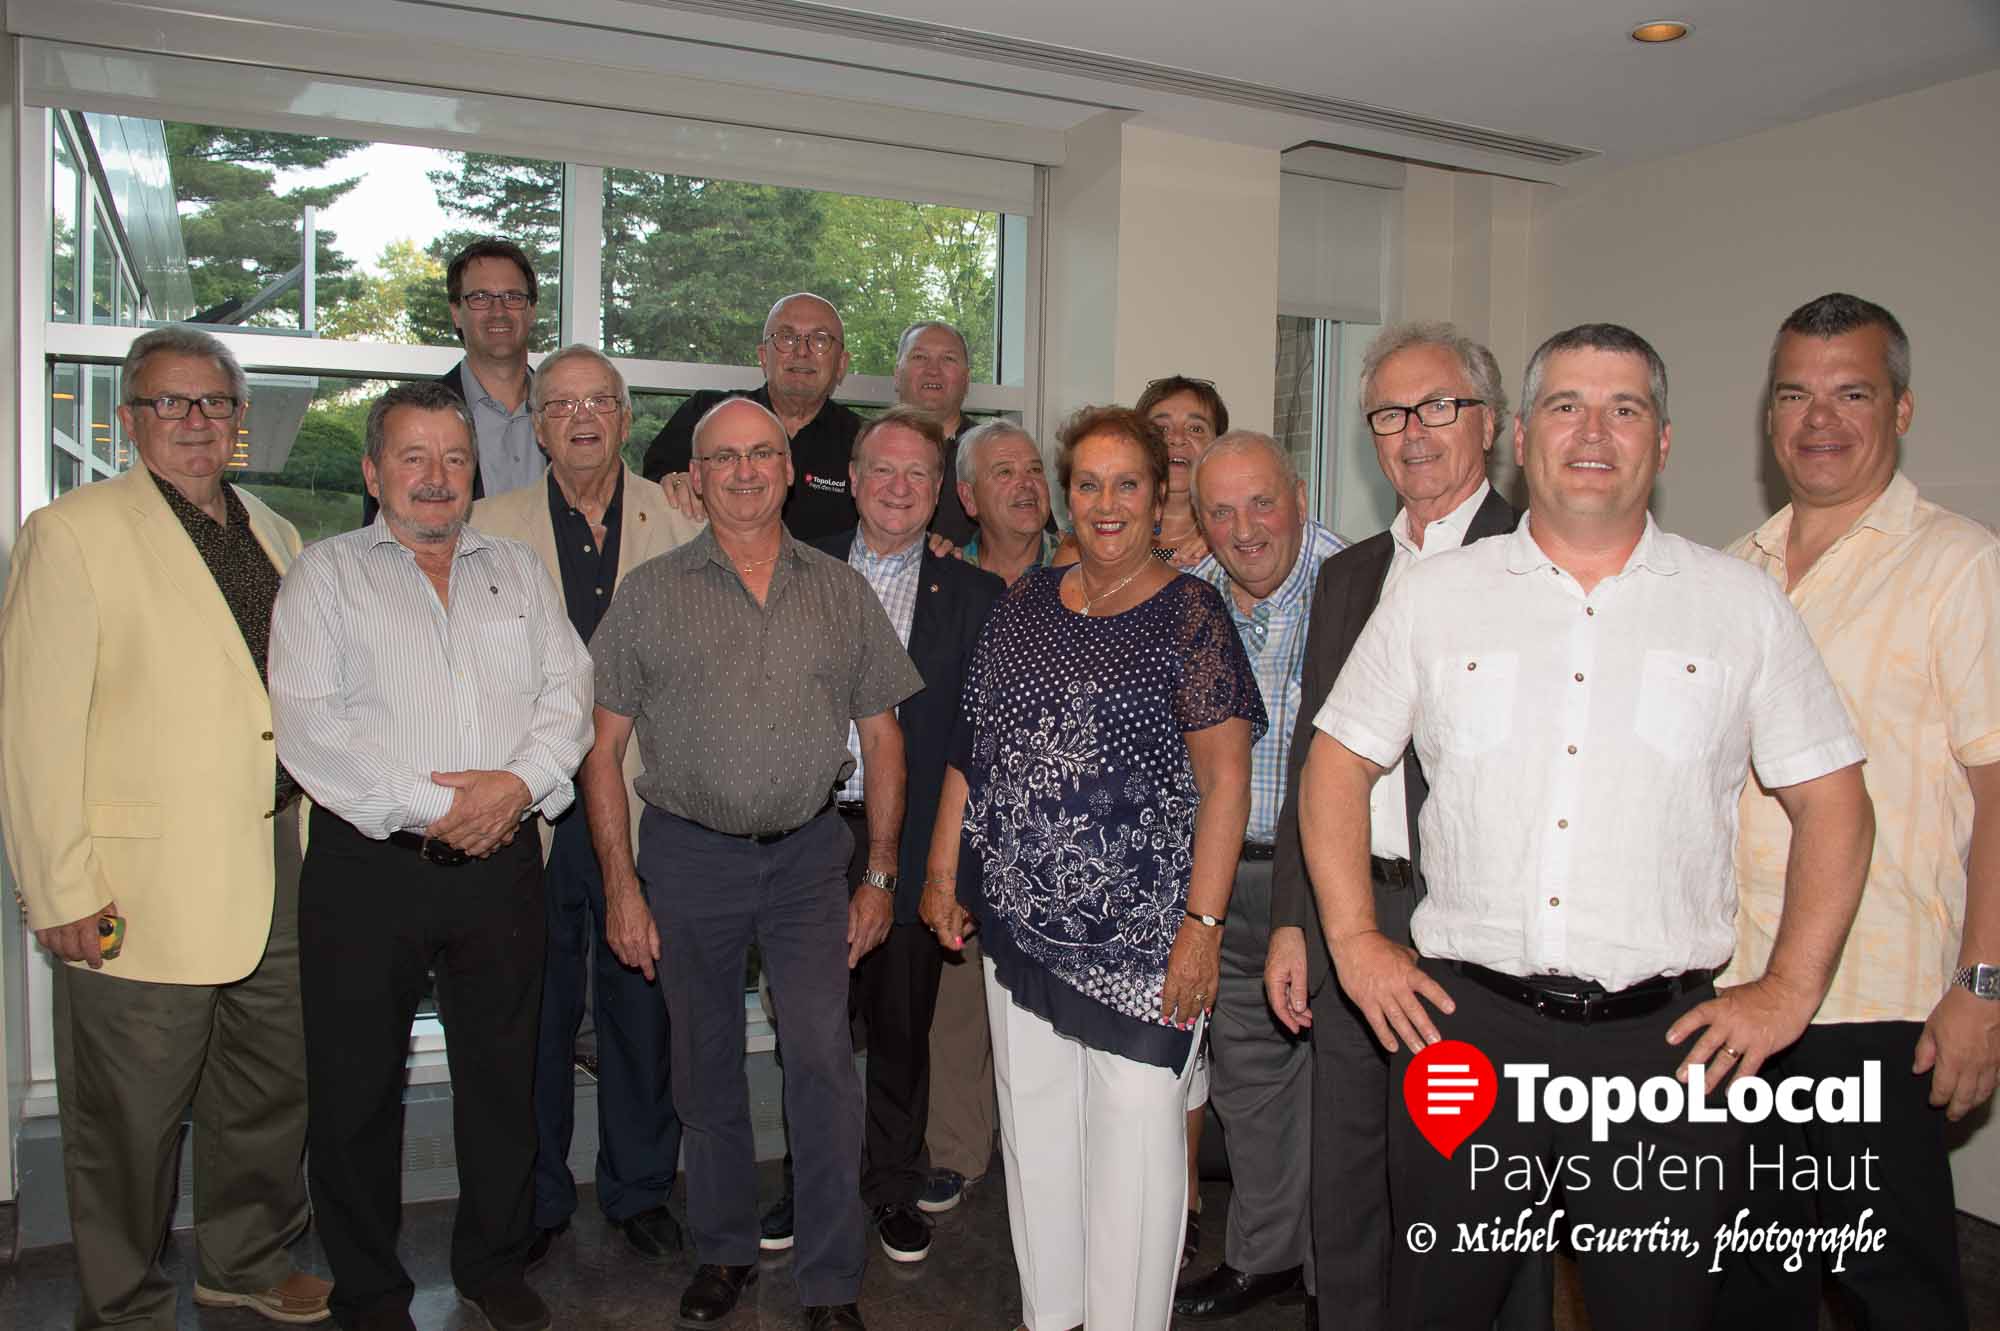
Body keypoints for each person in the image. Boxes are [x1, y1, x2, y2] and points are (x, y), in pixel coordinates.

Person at [1298, 323, 1875, 1331]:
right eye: (1565, 404)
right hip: (1461, 1035)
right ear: (1522, 434)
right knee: (1433, 1308)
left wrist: (1788, 988)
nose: (1592, 430)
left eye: (1623, 407)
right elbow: (1335, 763)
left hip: (1663, 1051)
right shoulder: (1435, 597)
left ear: (1663, 440)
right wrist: (1351, 937)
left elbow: (1834, 799)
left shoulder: (1737, 604)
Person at [0, 326, 331, 1329]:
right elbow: (32, 725)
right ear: (130, 418)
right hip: (138, 886)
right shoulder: (72, 532)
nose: (195, 422)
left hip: (275, 853)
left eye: (214, 403)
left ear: (238, 418)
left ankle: (243, 1258)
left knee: (270, 1088)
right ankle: (123, 1299)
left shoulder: (275, 533)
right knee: (129, 1118)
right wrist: (58, 889)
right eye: (170, 404)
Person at [921, 404, 1265, 1331]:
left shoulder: (1192, 615)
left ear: (1161, 498)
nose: (1105, 502)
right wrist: (943, 869)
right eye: (1088, 483)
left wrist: (1203, 929)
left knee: (1137, 1153)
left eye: (1127, 484)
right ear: (1066, 496)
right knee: (1035, 1138)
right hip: (1018, 923)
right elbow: (973, 745)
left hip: (1145, 944)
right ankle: (1053, 1317)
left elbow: (1226, 784)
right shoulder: (1025, 602)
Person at [586, 395, 923, 1331]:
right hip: (690, 858)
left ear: (788, 469)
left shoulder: (840, 591)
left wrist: (881, 873)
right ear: (695, 478)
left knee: (822, 1061)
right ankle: (726, 1251)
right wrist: (621, 883)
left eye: (762, 454)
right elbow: (600, 751)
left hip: (813, 860)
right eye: (723, 458)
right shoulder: (648, 594)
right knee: (704, 1066)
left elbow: (885, 741)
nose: (743, 472)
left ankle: (829, 1278)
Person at [271, 380, 594, 1331]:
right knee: (355, 1087)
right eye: (413, 457)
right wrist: (447, 805)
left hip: (501, 862)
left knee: (504, 1074)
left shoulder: (518, 571)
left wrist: (514, 789)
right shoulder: (325, 575)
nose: (436, 477)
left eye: (455, 459)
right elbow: (313, 729)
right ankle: (370, 1290)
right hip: (369, 868)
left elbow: (567, 692)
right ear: (375, 471)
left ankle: (494, 1262)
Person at [1713, 294, 2000, 1330]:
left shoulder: (1959, 565)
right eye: (1793, 392)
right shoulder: (1729, 573)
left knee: (1893, 1288)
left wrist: (1983, 983)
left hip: (1874, 1003)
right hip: (1733, 992)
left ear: (1901, 409)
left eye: (1850, 392)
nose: (1816, 418)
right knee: (1744, 1280)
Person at [1267, 322, 1541, 1331]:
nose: (1412, 431)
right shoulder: (1349, 575)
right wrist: (1298, 917)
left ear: (1490, 424)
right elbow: (1314, 758)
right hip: (1353, 912)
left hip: (1469, 929)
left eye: (1437, 406)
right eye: (1388, 413)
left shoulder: (1537, 561)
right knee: (1345, 1177)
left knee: (1476, 1189)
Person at [469, 344, 703, 1264]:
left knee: (642, 1006)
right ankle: (536, 1194)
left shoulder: (679, 518)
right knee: (531, 1008)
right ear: (536, 424)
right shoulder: (487, 523)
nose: (579, 418)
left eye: (598, 401)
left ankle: (641, 1187)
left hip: (645, 803)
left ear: (625, 416)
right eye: (559, 403)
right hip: (530, 810)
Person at [763, 407, 1003, 1261]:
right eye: (883, 471)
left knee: (904, 1030)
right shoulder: (793, 565)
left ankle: (892, 1184)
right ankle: (807, 1182)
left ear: (940, 494)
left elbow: (980, 736)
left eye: (918, 476)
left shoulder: (974, 594)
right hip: (806, 835)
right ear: (854, 480)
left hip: (910, 840)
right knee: (810, 1030)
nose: (899, 489)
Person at [1172, 431, 1346, 1321]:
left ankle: (1336, 1275)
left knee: (1343, 1090)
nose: (1245, 529)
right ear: (1198, 520)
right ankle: (1265, 1254)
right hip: (1221, 878)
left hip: (1328, 883)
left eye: (1262, 502)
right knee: (1247, 1079)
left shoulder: (1362, 584)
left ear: (1301, 494)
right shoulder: (1191, 598)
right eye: (1221, 510)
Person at [913, 418, 1056, 1213]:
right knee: (958, 995)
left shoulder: (1083, 571)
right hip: (963, 818)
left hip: (1058, 831)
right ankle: (960, 1150)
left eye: (1035, 469)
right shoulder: (944, 579)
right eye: (1004, 472)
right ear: (967, 496)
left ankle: (1045, 1156)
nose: (1026, 483)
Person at [641, 292, 863, 541]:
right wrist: (671, 481)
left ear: (842, 364)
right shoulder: (705, 415)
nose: (802, 351)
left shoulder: (863, 442)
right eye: (787, 338)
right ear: (763, 356)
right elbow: (645, 497)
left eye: (820, 340)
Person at [361, 237, 541, 524]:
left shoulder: (566, 414)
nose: (499, 311)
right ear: (456, 312)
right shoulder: (408, 417)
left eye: (513, 297)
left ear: (531, 311)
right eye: (480, 297)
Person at [892, 320, 980, 544]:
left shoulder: (992, 452)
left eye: (948, 359)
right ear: (896, 373)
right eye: (920, 357)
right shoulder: (865, 446)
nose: (933, 370)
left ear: (967, 380)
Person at [1138, 375, 1230, 569]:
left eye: (1196, 428)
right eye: (1161, 428)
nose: (1177, 438)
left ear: (1218, 445)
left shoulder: (1239, 535)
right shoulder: (1107, 528)